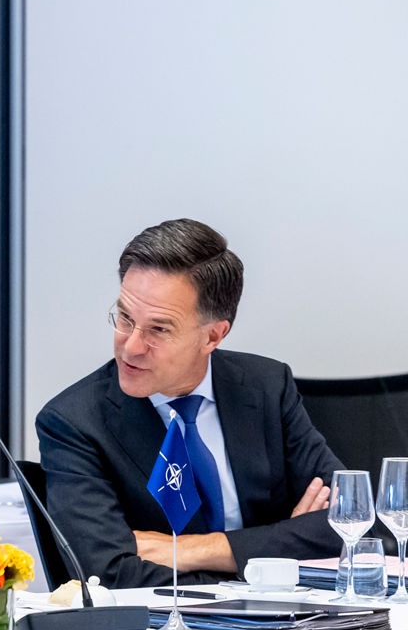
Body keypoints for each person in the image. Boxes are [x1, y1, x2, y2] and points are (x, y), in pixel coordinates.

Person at [35, 218, 348, 588]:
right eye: (124, 318)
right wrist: (275, 551)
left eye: (159, 329)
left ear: (213, 335)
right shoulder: (74, 422)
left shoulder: (266, 386)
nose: (131, 346)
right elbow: (110, 572)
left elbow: (349, 521)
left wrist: (190, 550)